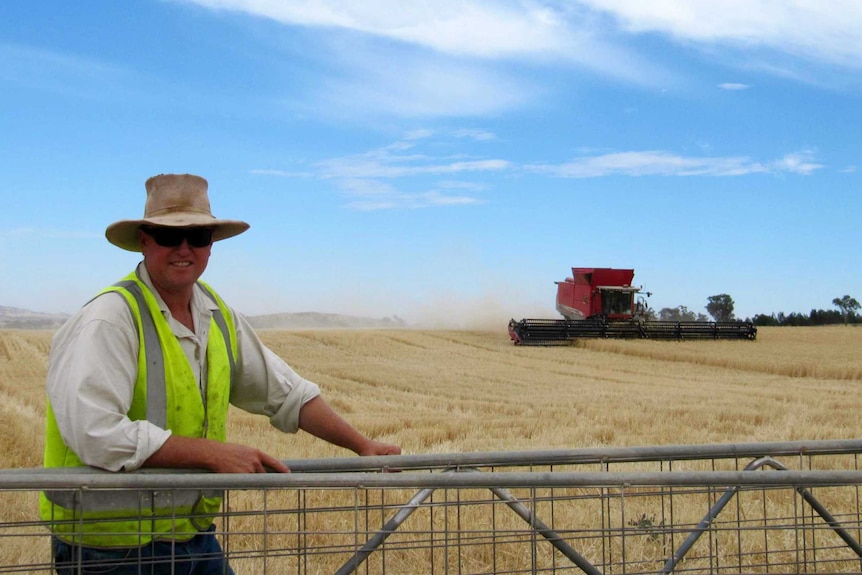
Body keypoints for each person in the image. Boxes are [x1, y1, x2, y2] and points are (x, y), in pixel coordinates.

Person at [40, 173, 401, 574]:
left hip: (190, 535)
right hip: (109, 549)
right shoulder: (110, 318)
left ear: (211, 245)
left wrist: (361, 445)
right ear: (144, 240)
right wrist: (213, 454)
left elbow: (285, 392)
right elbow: (96, 434)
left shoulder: (215, 313)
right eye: (167, 236)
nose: (184, 248)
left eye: (197, 236)